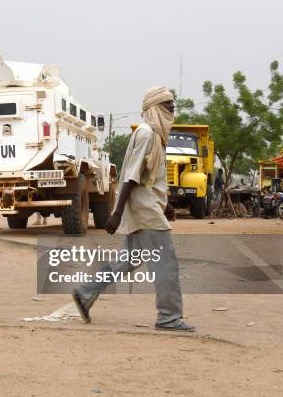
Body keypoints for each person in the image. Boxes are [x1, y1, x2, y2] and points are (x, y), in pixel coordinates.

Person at [71, 86, 194, 332]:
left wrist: (166, 204)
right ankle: (169, 317)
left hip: (147, 207)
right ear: (156, 108)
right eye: (168, 105)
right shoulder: (148, 134)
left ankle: (85, 293)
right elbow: (131, 177)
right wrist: (116, 214)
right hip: (146, 212)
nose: (173, 109)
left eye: (172, 104)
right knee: (166, 265)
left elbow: (148, 180)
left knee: (127, 261)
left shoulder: (155, 136)